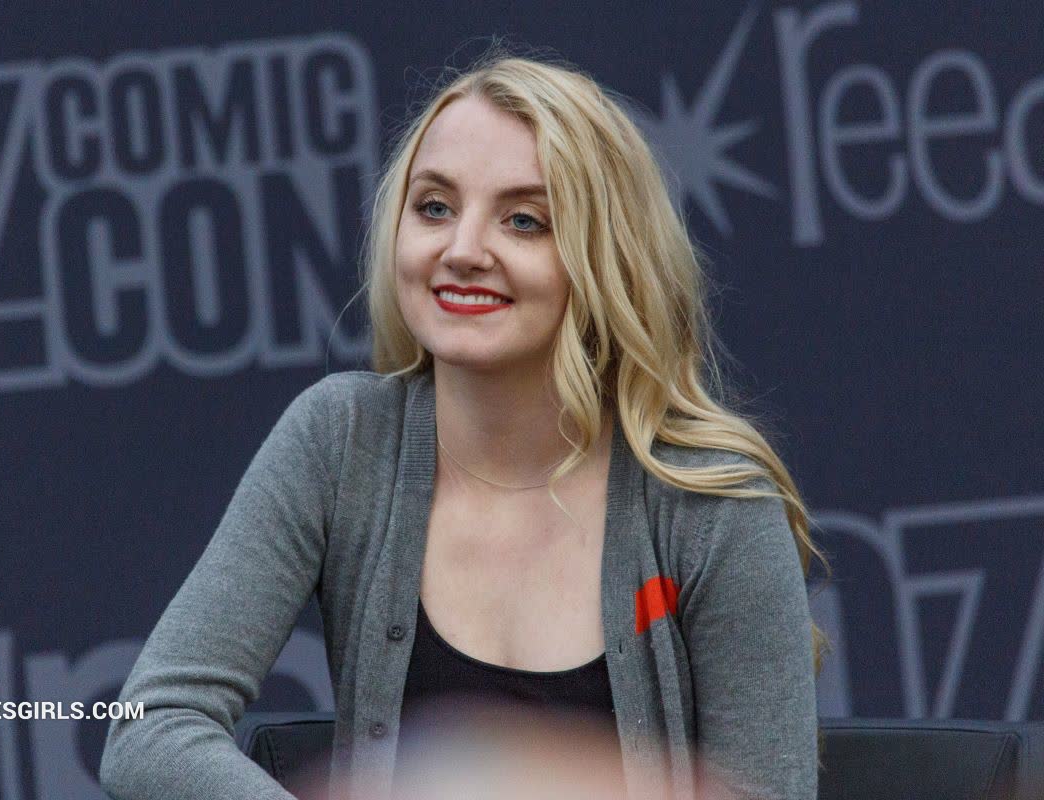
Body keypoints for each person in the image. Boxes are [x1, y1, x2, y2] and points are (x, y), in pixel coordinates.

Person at [100, 44, 825, 800]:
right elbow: (151, 726)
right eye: (435, 208)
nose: (463, 250)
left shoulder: (713, 506)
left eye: (524, 221)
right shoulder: (340, 441)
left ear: (606, 257)